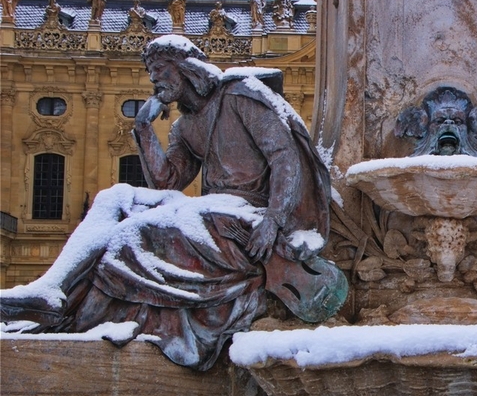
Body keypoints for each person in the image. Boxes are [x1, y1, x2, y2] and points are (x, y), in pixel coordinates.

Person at [0, 35, 344, 370]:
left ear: (187, 69)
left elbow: (285, 157)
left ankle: (76, 298)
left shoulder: (240, 96)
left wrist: (274, 219)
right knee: (116, 196)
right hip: (211, 213)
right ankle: (49, 291)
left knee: (141, 228)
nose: (154, 79)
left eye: (161, 70)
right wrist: (144, 128)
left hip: (249, 217)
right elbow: (167, 181)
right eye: (151, 73)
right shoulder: (185, 126)